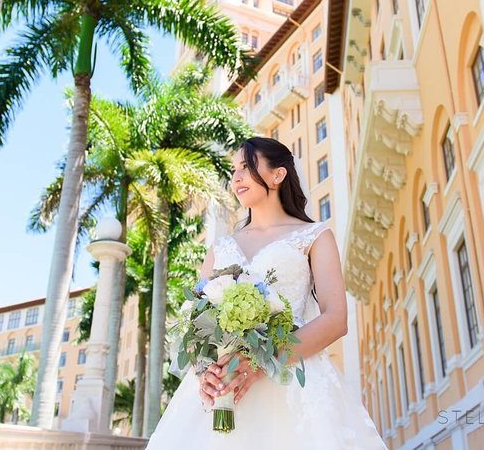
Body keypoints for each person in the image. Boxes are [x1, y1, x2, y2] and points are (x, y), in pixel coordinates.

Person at [146, 137, 387, 448]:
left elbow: (336, 318)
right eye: (233, 170)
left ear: (278, 174)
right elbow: (197, 323)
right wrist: (204, 372)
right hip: (225, 390)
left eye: (247, 167)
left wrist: (263, 361)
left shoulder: (314, 236)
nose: (236, 177)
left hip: (292, 385)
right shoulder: (220, 248)